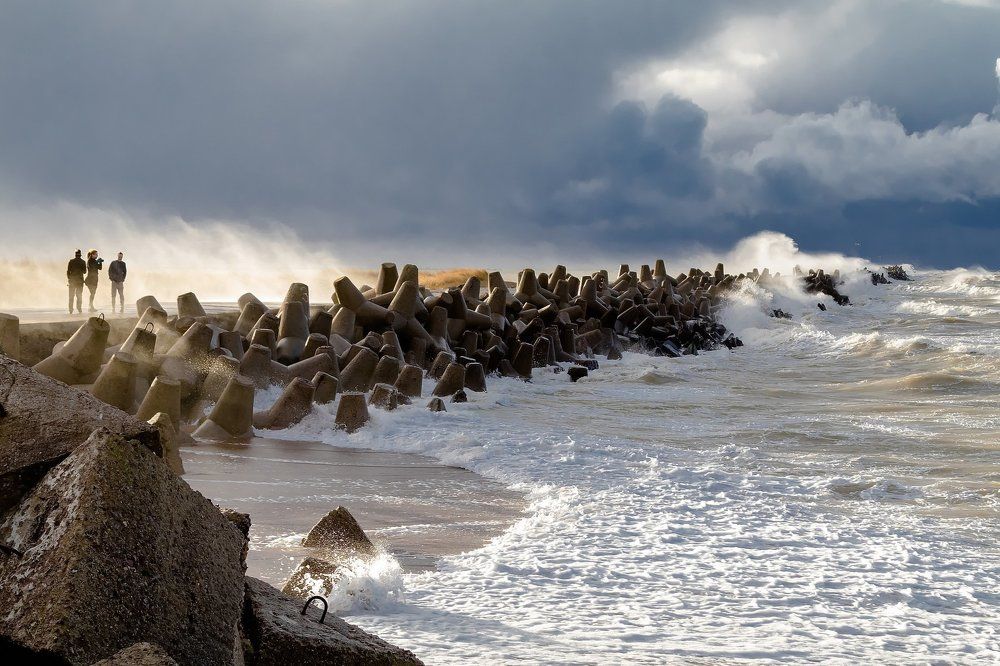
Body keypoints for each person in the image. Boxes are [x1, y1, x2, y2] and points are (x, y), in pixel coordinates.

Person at [66, 249, 86, 314]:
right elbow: (84, 272)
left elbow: (68, 271)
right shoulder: (83, 262)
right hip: (80, 282)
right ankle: (79, 308)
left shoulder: (71, 261)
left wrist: (69, 279)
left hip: (72, 281)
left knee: (71, 296)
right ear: (80, 255)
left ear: (75, 254)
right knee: (79, 296)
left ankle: (70, 309)